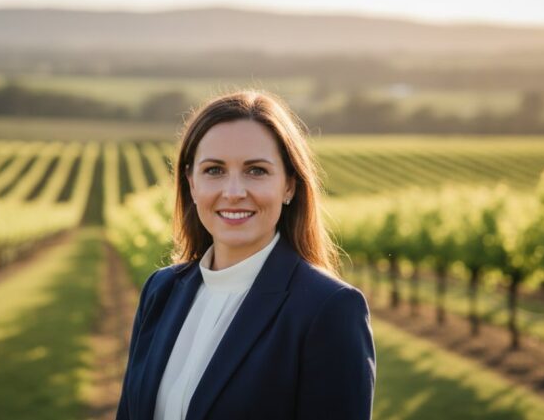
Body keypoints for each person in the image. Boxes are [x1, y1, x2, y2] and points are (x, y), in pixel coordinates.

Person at [116, 91, 375, 420]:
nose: (234, 192)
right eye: (214, 170)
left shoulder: (329, 309)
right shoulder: (161, 290)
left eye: (256, 171)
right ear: (191, 184)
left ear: (289, 185)